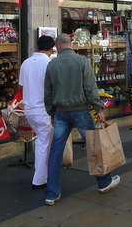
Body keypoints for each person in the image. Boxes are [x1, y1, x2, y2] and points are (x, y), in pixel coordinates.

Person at [43, 33, 120, 205]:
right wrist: (98, 108)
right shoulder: (82, 61)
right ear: (71, 44)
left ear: (58, 46)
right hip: (81, 111)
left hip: (61, 112)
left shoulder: (52, 65)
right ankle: (103, 182)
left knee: (56, 152)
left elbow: (47, 92)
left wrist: (52, 113)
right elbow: (90, 88)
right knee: (94, 148)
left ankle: (52, 193)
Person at [18, 34, 55, 189]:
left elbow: (21, 87)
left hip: (29, 109)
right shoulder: (49, 63)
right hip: (43, 110)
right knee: (43, 144)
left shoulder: (26, 63)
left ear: (37, 46)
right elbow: (53, 89)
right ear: (51, 48)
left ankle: (42, 176)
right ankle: (39, 179)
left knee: (41, 142)